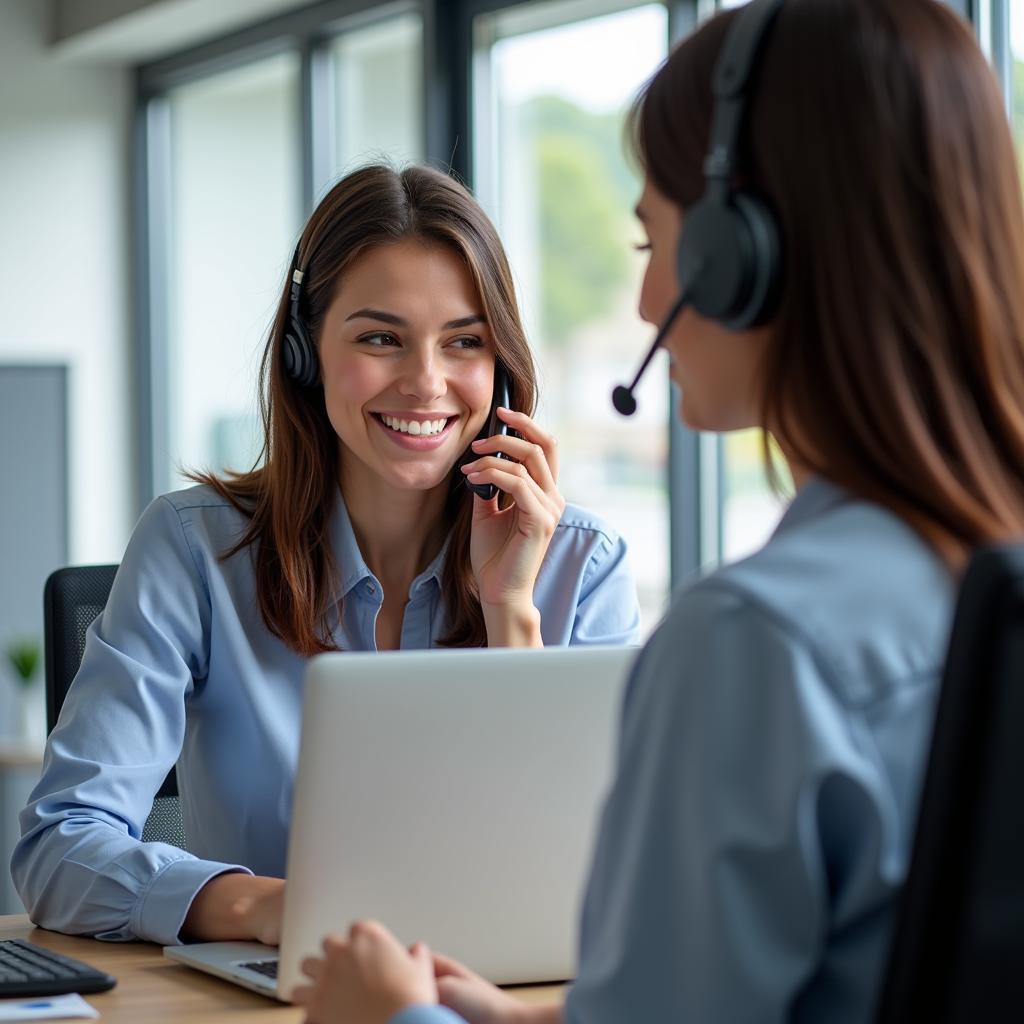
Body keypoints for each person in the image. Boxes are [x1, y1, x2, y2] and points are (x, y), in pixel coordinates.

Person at [290, 1, 1024, 1021]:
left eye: (654, 240)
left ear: (739, 253)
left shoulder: (756, 643)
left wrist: (394, 1017)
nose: (644, 303)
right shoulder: (980, 573)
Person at [11, 164, 641, 947]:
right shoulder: (196, 550)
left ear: (501, 365)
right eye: (381, 338)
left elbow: (622, 878)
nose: (426, 383)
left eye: (465, 342)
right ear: (306, 353)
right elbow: (59, 849)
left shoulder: (584, 566)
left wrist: (512, 613)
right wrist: (273, 910)